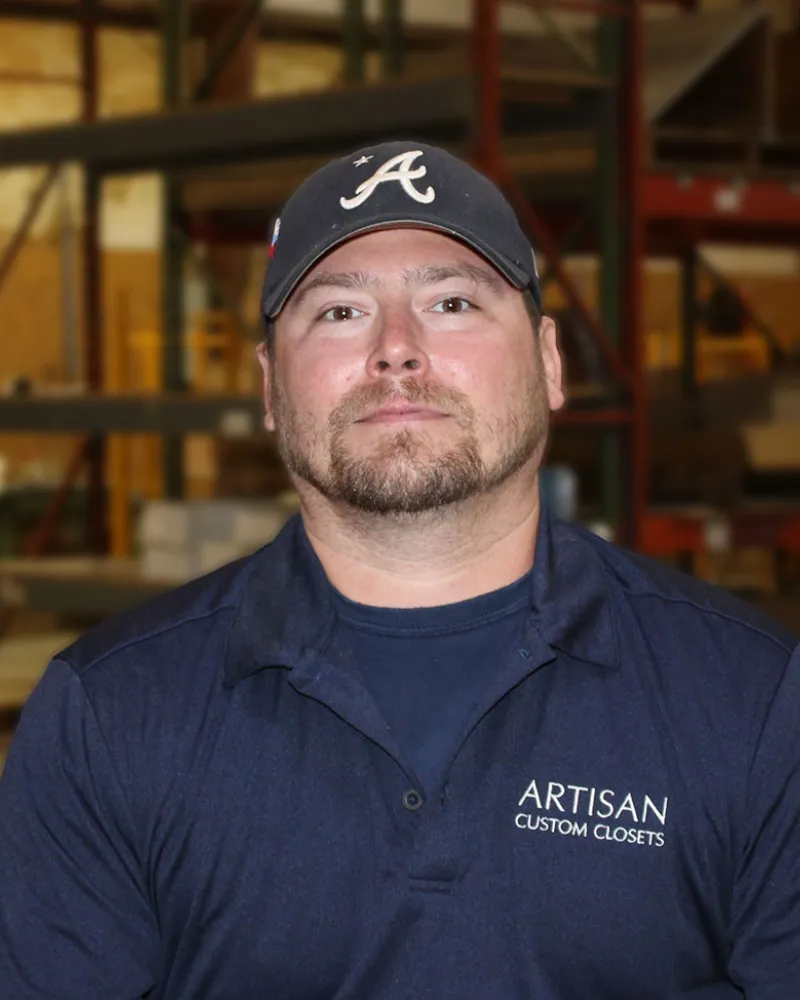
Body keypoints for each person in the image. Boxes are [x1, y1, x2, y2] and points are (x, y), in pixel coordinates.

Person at [0, 140, 798, 1000]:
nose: (397, 350)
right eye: (339, 312)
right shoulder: (110, 714)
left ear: (551, 362)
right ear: (269, 389)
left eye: (452, 301)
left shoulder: (751, 701)